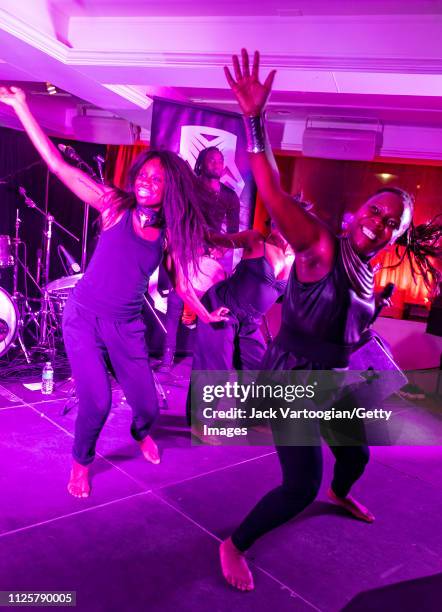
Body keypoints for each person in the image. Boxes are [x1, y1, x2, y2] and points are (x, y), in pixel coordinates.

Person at [220, 49, 439, 591]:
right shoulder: (319, 245)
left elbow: (354, 328)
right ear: (359, 212)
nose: (378, 222)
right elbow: (270, 189)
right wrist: (255, 119)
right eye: (374, 211)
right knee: (298, 485)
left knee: (357, 454)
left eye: (391, 221)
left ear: (395, 234)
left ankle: (340, 493)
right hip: (292, 379)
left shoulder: (369, 272)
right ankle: (234, 542)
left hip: (334, 383)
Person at [0, 86, 228, 499]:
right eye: (143, 174)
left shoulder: (169, 234)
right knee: (98, 402)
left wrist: (205, 313)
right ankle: (81, 462)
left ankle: (142, 434)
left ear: (169, 188)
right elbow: (56, 165)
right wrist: (21, 107)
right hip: (83, 318)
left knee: (149, 408)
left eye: (157, 179)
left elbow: (179, 284)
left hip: (126, 327)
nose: (146, 181)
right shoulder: (113, 206)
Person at [188, 226, 293, 434]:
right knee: (216, 367)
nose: (280, 228)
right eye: (277, 222)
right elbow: (217, 238)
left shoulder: (294, 260)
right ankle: (198, 424)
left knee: (259, 366)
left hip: (250, 320)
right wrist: (191, 225)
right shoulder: (255, 240)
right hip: (223, 306)